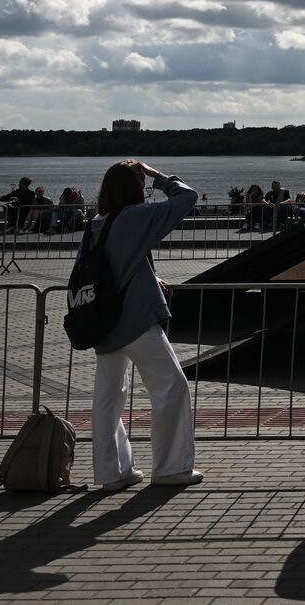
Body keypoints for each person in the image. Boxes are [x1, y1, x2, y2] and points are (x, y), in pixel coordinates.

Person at [85, 160, 202, 490]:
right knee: (171, 387)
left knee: (108, 399)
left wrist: (150, 278)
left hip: (103, 323)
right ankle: (171, 468)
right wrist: (157, 175)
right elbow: (187, 198)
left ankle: (112, 473)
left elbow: (111, 267)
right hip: (135, 321)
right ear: (136, 187)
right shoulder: (135, 217)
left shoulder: (97, 222)